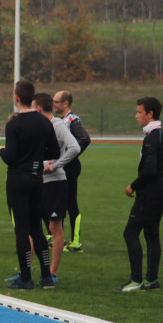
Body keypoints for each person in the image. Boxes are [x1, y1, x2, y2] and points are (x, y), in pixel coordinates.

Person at [0, 80, 61, 290]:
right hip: (37, 179)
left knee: (22, 230)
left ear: (16, 98)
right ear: (32, 98)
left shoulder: (14, 124)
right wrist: (36, 157)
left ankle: (25, 278)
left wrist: (0, 151)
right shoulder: (44, 122)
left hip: (18, 180)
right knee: (37, 229)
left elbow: (11, 157)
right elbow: (55, 153)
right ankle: (46, 276)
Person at [115, 97, 163, 292]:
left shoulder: (152, 138)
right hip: (159, 189)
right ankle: (151, 280)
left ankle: (136, 280)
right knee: (151, 234)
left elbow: (149, 170)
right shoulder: (159, 134)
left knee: (130, 233)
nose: (136, 115)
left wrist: (133, 186)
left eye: (139, 112)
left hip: (150, 192)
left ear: (150, 114)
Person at [32, 93, 80, 283]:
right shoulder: (38, 127)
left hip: (56, 182)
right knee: (33, 226)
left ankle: (53, 273)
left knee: (54, 227)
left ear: (38, 109)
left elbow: (74, 147)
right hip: (38, 182)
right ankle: (24, 271)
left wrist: (57, 164)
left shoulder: (58, 125)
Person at [52, 90, 91, 252]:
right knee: (54, 201)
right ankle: (52, 236)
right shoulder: (59, 120)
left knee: (70, 203)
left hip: (70, 168)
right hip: (60, 167)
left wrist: (69, 156)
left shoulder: (72, 120)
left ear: (65, 103)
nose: (54, 104)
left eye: (56, 101)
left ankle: (76, 242)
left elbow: (84, 139)